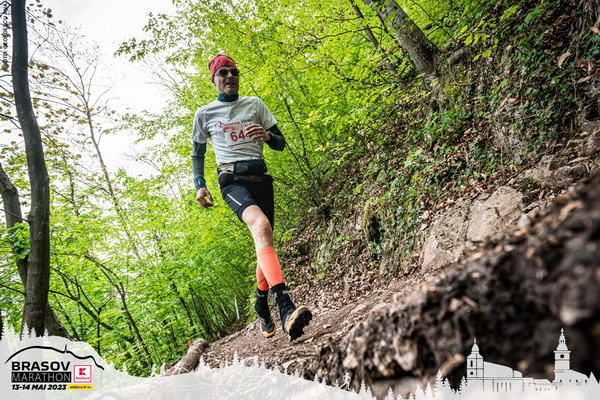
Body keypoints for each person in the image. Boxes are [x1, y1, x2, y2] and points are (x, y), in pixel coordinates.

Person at [191, 54, 312, 341]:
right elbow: (198, 153)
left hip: (261, 178)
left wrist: (268, 138)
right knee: (261, 225)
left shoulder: (255, 104)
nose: (229, 76)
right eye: (223, 73)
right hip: (231, 180)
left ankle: (260, 302)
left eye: (234, 71)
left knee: (264, 240)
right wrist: (200, 184)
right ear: (213, 79)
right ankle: (285, 307)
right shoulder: (204, 114)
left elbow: (281, 144)